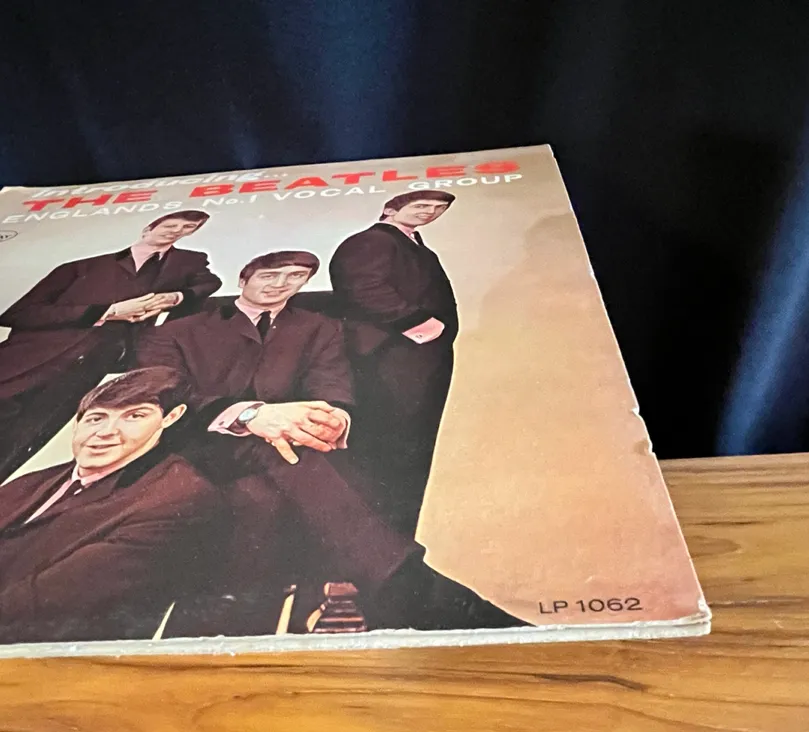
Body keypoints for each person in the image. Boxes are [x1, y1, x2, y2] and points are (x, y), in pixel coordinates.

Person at [138, 249, 523, 633]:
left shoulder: (320, 327)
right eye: (269, 276)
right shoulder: (175, 332)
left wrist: (333, 420)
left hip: (288, 450)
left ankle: (395, 593)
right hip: (201, 449)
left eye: (294, 277)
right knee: (297, 470)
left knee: (268, 493)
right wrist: (251, 415)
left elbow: (331, 386)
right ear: (243, 280)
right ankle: (413, 590)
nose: (280, 284)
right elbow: (158, 396)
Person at [0, 366, 221, 643]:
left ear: (170, 417)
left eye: (134, 416)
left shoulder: (177, 495)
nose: (105, 432)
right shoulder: (29, 482)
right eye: (96, 418)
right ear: (76, 424)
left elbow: (50, 600)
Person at [0, 210, 221, 444]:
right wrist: (109, 311)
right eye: (170, 225)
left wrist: (174, 297)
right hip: (31, 357)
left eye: (187, 228)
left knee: (28, 437)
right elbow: (18, 314)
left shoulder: (189, 261)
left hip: (94, 364)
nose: (177, 231)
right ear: (148, 229)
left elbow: (209, 283)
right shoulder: (80, 267)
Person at [329, 190, 458, 534]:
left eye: (438, 209)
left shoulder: (413, 245)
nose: (430, 212)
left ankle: (395, 539)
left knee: (410, 446)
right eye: (421, 206)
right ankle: (375, 541)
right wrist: (423, 326)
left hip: (415, 357)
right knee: (388, 448)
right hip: (389, 355)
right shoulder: (372, 241)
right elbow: (362, 288)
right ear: (390, 209)